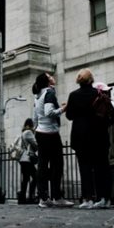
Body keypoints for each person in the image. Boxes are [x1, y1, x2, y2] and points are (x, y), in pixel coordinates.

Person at [65, 70, 111, 209]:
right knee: (100, 168)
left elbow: (69, 116)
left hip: (81, 135)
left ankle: (88, 198)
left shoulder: (73, 95)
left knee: (84, 167)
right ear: (91, 80)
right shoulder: (99, 94)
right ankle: (102, 198)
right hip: (99, 134)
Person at [32, 73, 73, 208]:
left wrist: (37, 129)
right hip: (50, 134)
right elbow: (49, 112)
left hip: (40, 133)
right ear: (48, 81)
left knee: (42, 166)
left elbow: (35, 118)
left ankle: (43, 197)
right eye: (49, 76)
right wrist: (63, 109)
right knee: (57, 165)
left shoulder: (38, 95)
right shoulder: (49, 93)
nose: (52, 76)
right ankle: (56, 196)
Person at [18, 119, 38, 205]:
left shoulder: (22, 133)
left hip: (22, 159)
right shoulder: (28, 132)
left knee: (25, 179)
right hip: (27, 159)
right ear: (30, 125)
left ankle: (22, 198)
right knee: (36, 176)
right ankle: (31, 197)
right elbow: (35, 145)